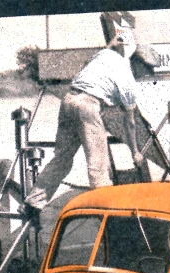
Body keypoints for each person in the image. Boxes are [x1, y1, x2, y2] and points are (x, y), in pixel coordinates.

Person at [23, 25, 160, 257]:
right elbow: (131, 123)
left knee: (62, 159)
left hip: (69, 100)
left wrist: (119, 38)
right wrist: (135, 151)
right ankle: (107, 213)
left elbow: (112, 45)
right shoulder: (128, 80)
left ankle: (34, 202)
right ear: (138, 63)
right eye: (146, 71)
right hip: (89, 106)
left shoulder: (107, 55)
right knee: (98, 164)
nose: (145, 75)